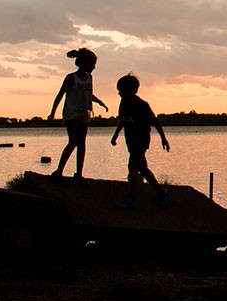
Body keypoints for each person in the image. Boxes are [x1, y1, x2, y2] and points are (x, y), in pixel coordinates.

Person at [47, 48, 108, 186]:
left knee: (82, 144)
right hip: (72, 112)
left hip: (84, 113)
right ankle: (58, 171)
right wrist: (52, 112)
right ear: (84, 63)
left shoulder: (90, 78)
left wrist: (99, 102)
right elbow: (60, 94)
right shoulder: (71, 77)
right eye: (92, 64)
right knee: (73, 141)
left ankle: (79, 174)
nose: (94, 67)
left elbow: (88, 94)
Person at [110, 73, 170, 209]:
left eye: (121, 90)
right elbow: (123, 120)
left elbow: (155, 121)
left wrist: (163, 138)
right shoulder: (123, 103)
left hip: (140, 141)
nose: (119, 93)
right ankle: (161, 191)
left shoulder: (142, 105)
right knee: (142, 168)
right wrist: (115, 135)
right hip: (130, 141)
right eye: (118, 90)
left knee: (132, 167)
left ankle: (131, 198)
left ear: (132, 90)